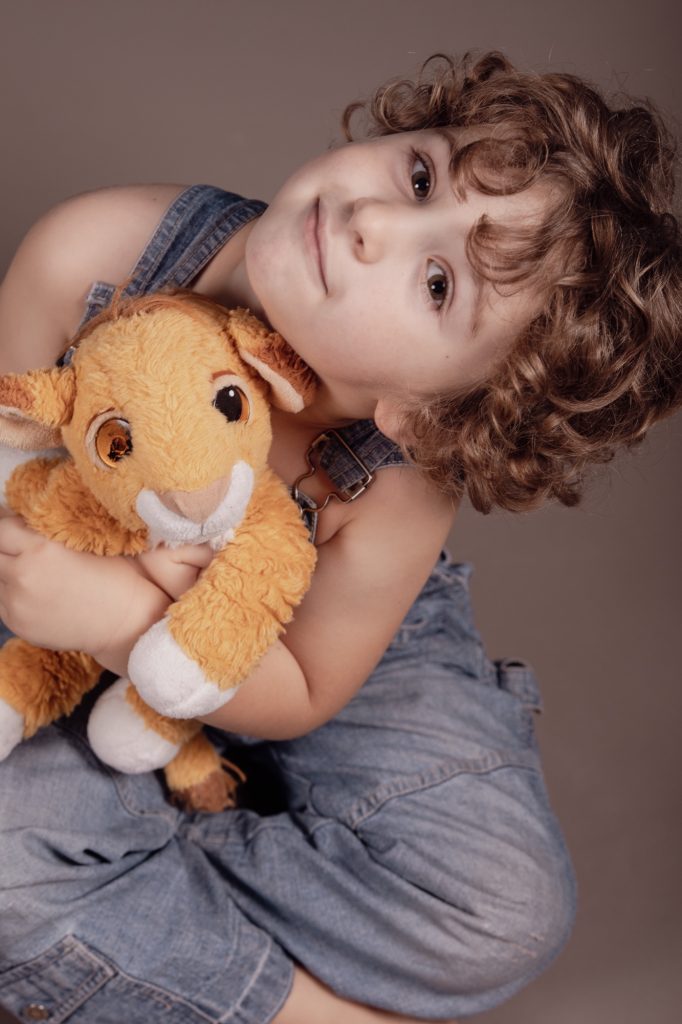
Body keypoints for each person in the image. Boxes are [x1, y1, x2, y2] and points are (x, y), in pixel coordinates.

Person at [0, 50, 679, 1024]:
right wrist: (90, 605)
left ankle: (142, 887)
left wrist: (131, 621)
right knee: (10, 864)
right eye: (421, 177)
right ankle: (263, 984)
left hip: (305, 642)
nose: (374, 225)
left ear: (425, 415)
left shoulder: (403, 483)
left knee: (504, 906)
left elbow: (303, 692)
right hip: (64, 594)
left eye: (438, 283)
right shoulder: (93, 253)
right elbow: (8, 469)